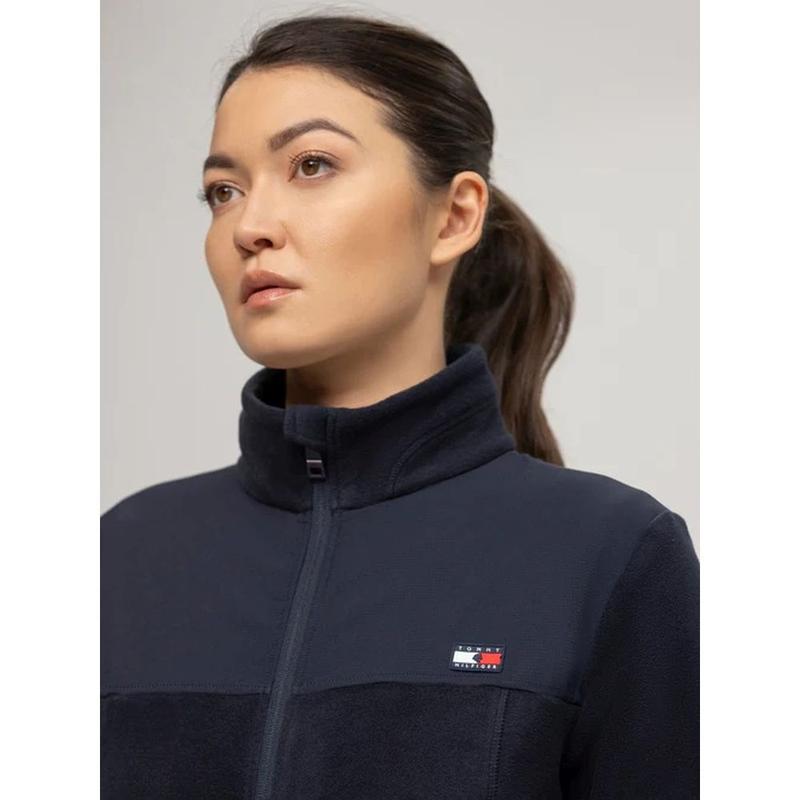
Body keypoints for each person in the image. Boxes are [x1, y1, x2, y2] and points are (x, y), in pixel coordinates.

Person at [101, 12, 699, 799]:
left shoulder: (612, 556)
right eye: (224, 190)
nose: (250, 226)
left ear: (454, 216)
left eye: (312, 165)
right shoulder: (118, 559)